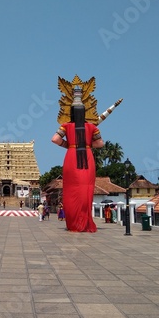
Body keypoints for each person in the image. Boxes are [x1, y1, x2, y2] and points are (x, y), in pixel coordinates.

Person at [51, 85, 104, 232]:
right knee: (85, 190)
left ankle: (73, 223)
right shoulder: (92, 127)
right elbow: (100, 144)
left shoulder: (65, 126)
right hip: (87, 156)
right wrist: (87, 145)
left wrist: (69, 145)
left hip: (71, 156)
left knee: (71, 190)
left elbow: (54, 139)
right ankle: (85, 221)